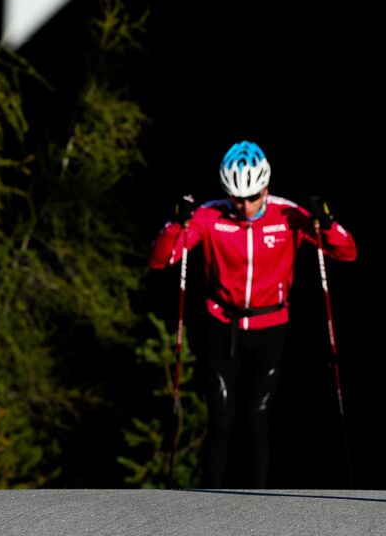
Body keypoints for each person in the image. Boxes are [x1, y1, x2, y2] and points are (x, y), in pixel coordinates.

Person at [148, 140, 357, 488]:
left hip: (270, 326)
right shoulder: (210, 215)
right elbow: (161, 260)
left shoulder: (286, 214)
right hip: (222, 325)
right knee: (221, 419)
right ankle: (209, 503)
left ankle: (257, 509)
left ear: (265, 188)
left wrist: (327, 222)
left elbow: (346, 253)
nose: (244, 206)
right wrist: (174, 224)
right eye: (236, 198)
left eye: (252, 197)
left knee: (257, 418)